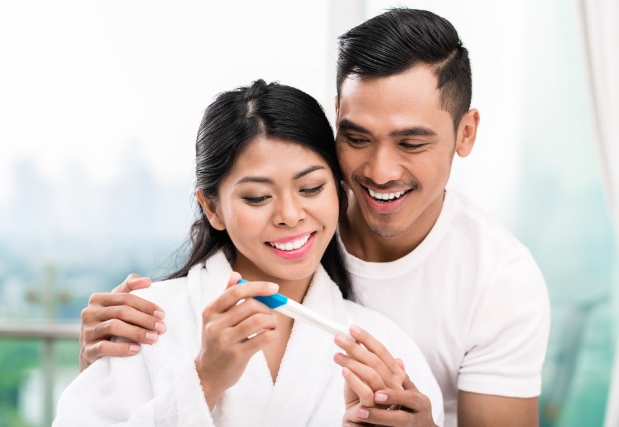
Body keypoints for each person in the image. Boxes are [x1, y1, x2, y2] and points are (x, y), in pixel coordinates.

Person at [79, 8, 550, 427]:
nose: (380, 171)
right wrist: (109, 364)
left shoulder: (492, 284)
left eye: (411, 143)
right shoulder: (156, 323)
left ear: (465, 134)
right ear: (212, 208)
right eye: (358, 138)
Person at [56, 80, 444, 426]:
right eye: (258, 197)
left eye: (311, 189)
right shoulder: (144, 323)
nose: (290, 215)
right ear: (212, 208)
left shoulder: (384, 344)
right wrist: (204, 381)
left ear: (339, 190)